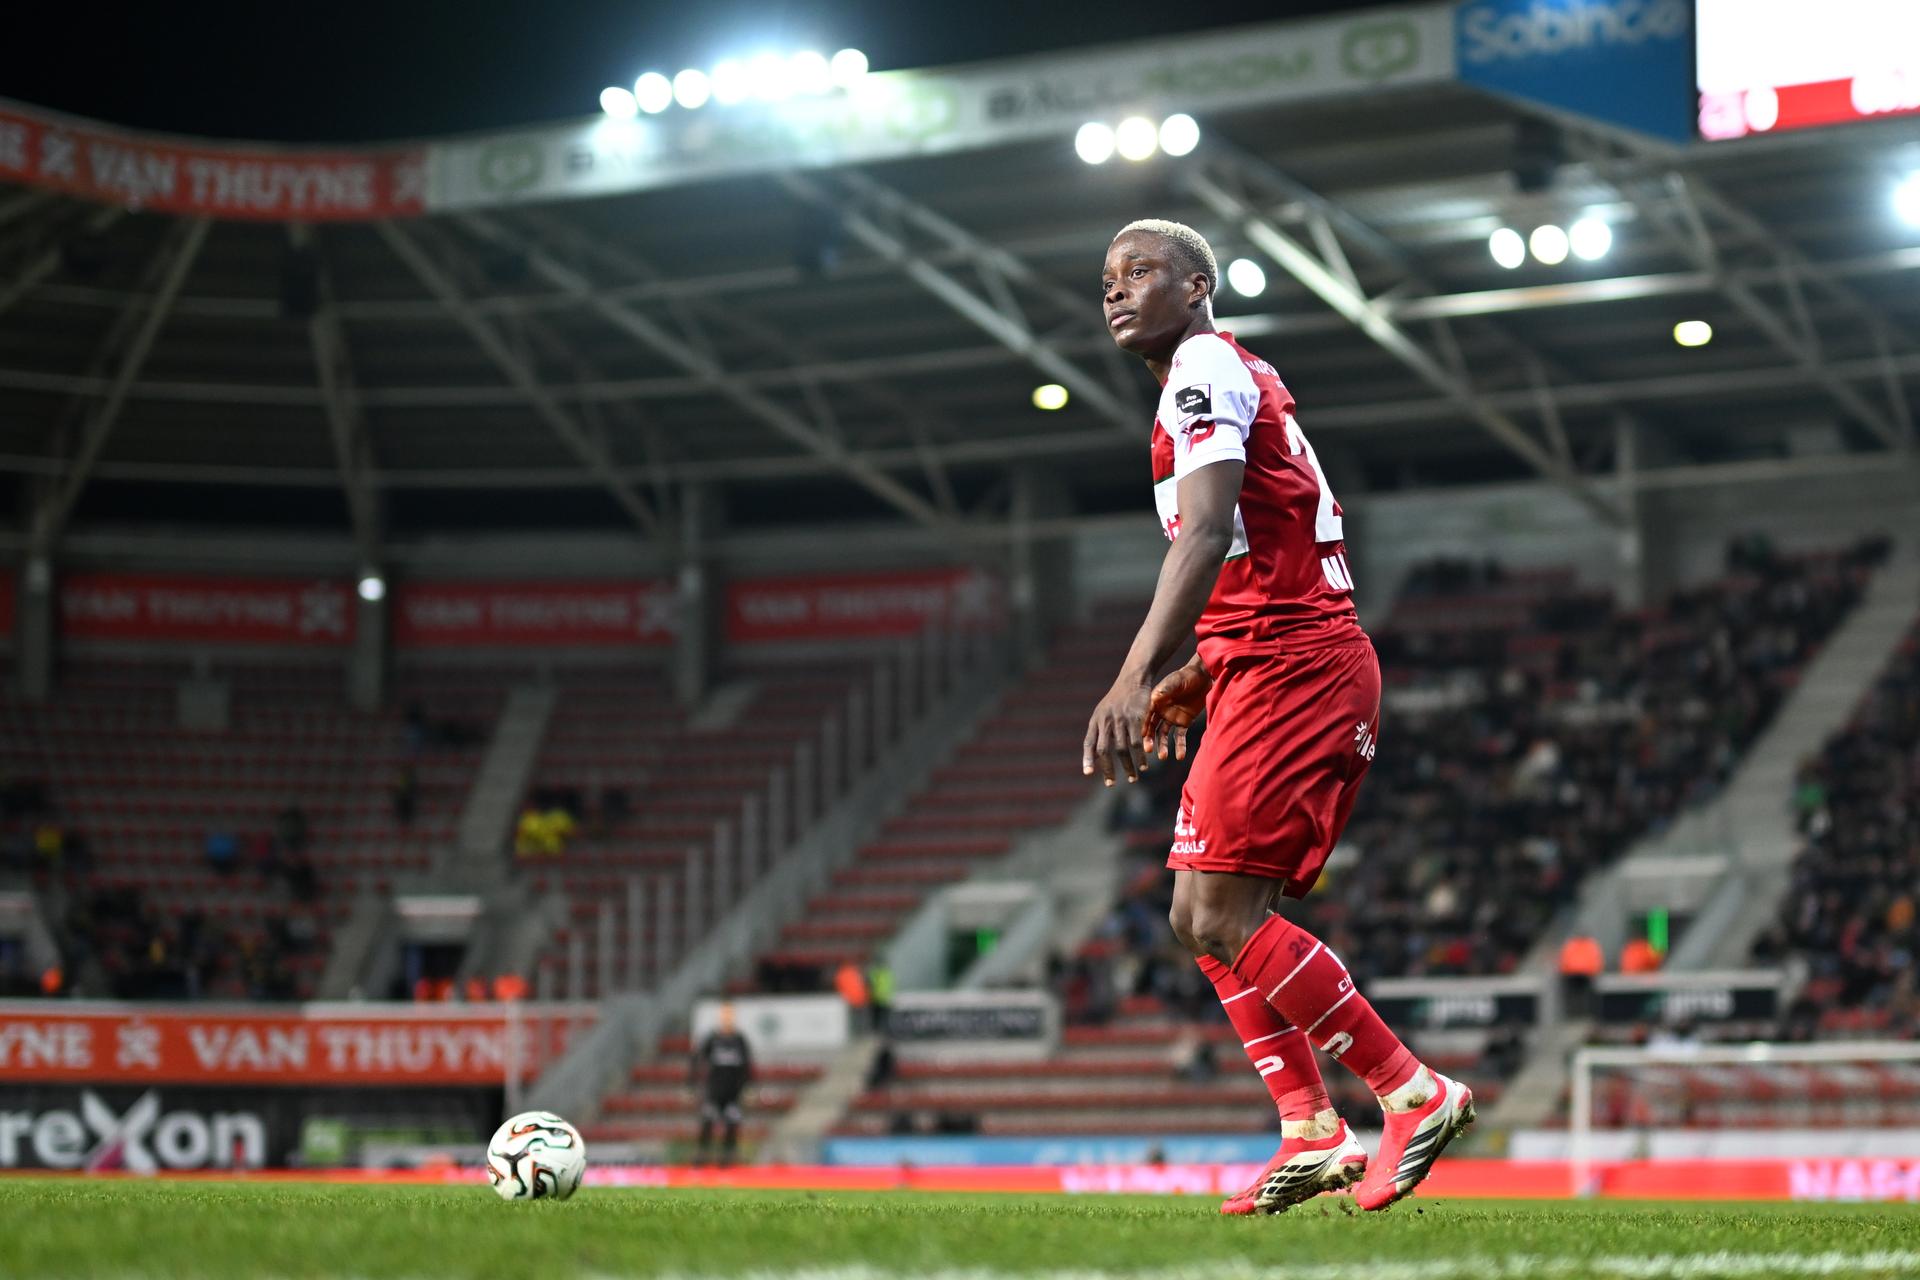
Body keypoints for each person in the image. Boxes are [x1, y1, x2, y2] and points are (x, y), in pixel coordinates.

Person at [1082, 220, 1473, 1216]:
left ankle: (1410, 1090)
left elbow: (1210, 534)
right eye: (1106, 280)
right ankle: (1309, 1124)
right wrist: (1202, 667)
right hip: (1267, 662)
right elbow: (1269, 545)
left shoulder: (1204, 366)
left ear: (1199, 283)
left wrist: (1136, 673)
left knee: (1219, 913)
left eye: (1141, 272)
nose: (1117, 292)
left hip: (1297, 669)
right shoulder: (1216, 374)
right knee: (1192, 914)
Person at [690, 1002, 754, 1167]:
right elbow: (697, 1059)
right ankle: (702, 1153)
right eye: (724, 1015)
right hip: (714, 1089)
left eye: (730, 1015)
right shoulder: (713, 1039)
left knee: (732, 1122)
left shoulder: (740, 1040)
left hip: (734, 1090)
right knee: (708, 1120)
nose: (727, 1019)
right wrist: (691, 1082)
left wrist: (749, 1087)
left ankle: (728, 1155)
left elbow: (748, 1065)